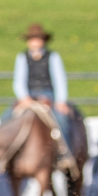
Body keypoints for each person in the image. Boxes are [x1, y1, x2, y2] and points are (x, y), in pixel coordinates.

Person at [7, 23, 76, 170]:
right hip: (29, 94)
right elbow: (19, 79)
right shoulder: (22, 57)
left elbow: (59, 79)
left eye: (37, 39)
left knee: (61, 119)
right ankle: (6, 157)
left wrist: (60, 100)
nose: (35, 42)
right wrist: (24, 97)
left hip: (47, 93)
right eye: (32, 39)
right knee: (5, 118)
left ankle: (65, 155)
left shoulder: (53, 57)